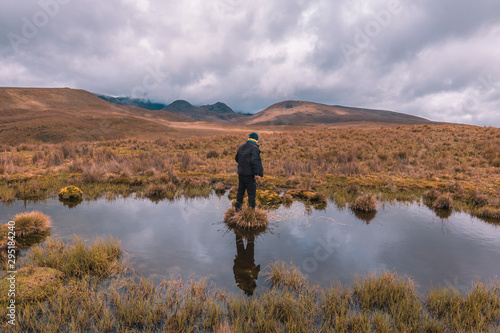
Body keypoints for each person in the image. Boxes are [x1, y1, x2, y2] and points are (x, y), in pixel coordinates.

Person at [234, 132, 263, 211]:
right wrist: (256, 173)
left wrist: (243, 165)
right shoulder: (254, 148)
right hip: (250, 175)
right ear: (256, 139)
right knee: (251, 193)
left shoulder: (241, 147)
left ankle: (237, 210)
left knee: (240, 192)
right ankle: (251, 212)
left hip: (241, 173)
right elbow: (254, 161)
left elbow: (236, 158)